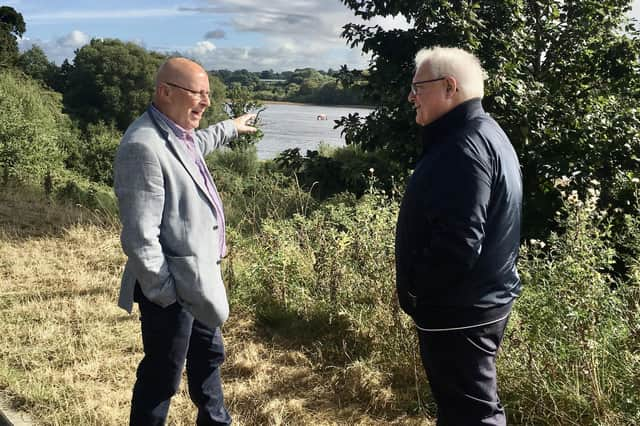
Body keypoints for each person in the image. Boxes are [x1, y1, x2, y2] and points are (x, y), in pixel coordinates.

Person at [113, 57, 257, 425]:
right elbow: (139, 237)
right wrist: (166, 294)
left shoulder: (178, 134)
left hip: (198, 281)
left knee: (208, 357)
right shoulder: (142, 146)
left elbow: (201, 142)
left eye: (208, 94)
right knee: (163, 376)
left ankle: (215, 421)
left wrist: (231, 127)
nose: (206, 102)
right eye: (198, 93)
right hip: (172, 289)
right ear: (165, 92)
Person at [395, 46, 522, 425]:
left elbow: (459, 242)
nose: (411, 96)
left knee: (474, 413)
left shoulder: (462, 146)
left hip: (460, 311)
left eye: (418, 87)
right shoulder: (483, 133)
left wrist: (418, 292)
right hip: (473, 304)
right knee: (459, 410)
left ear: (449, 86)